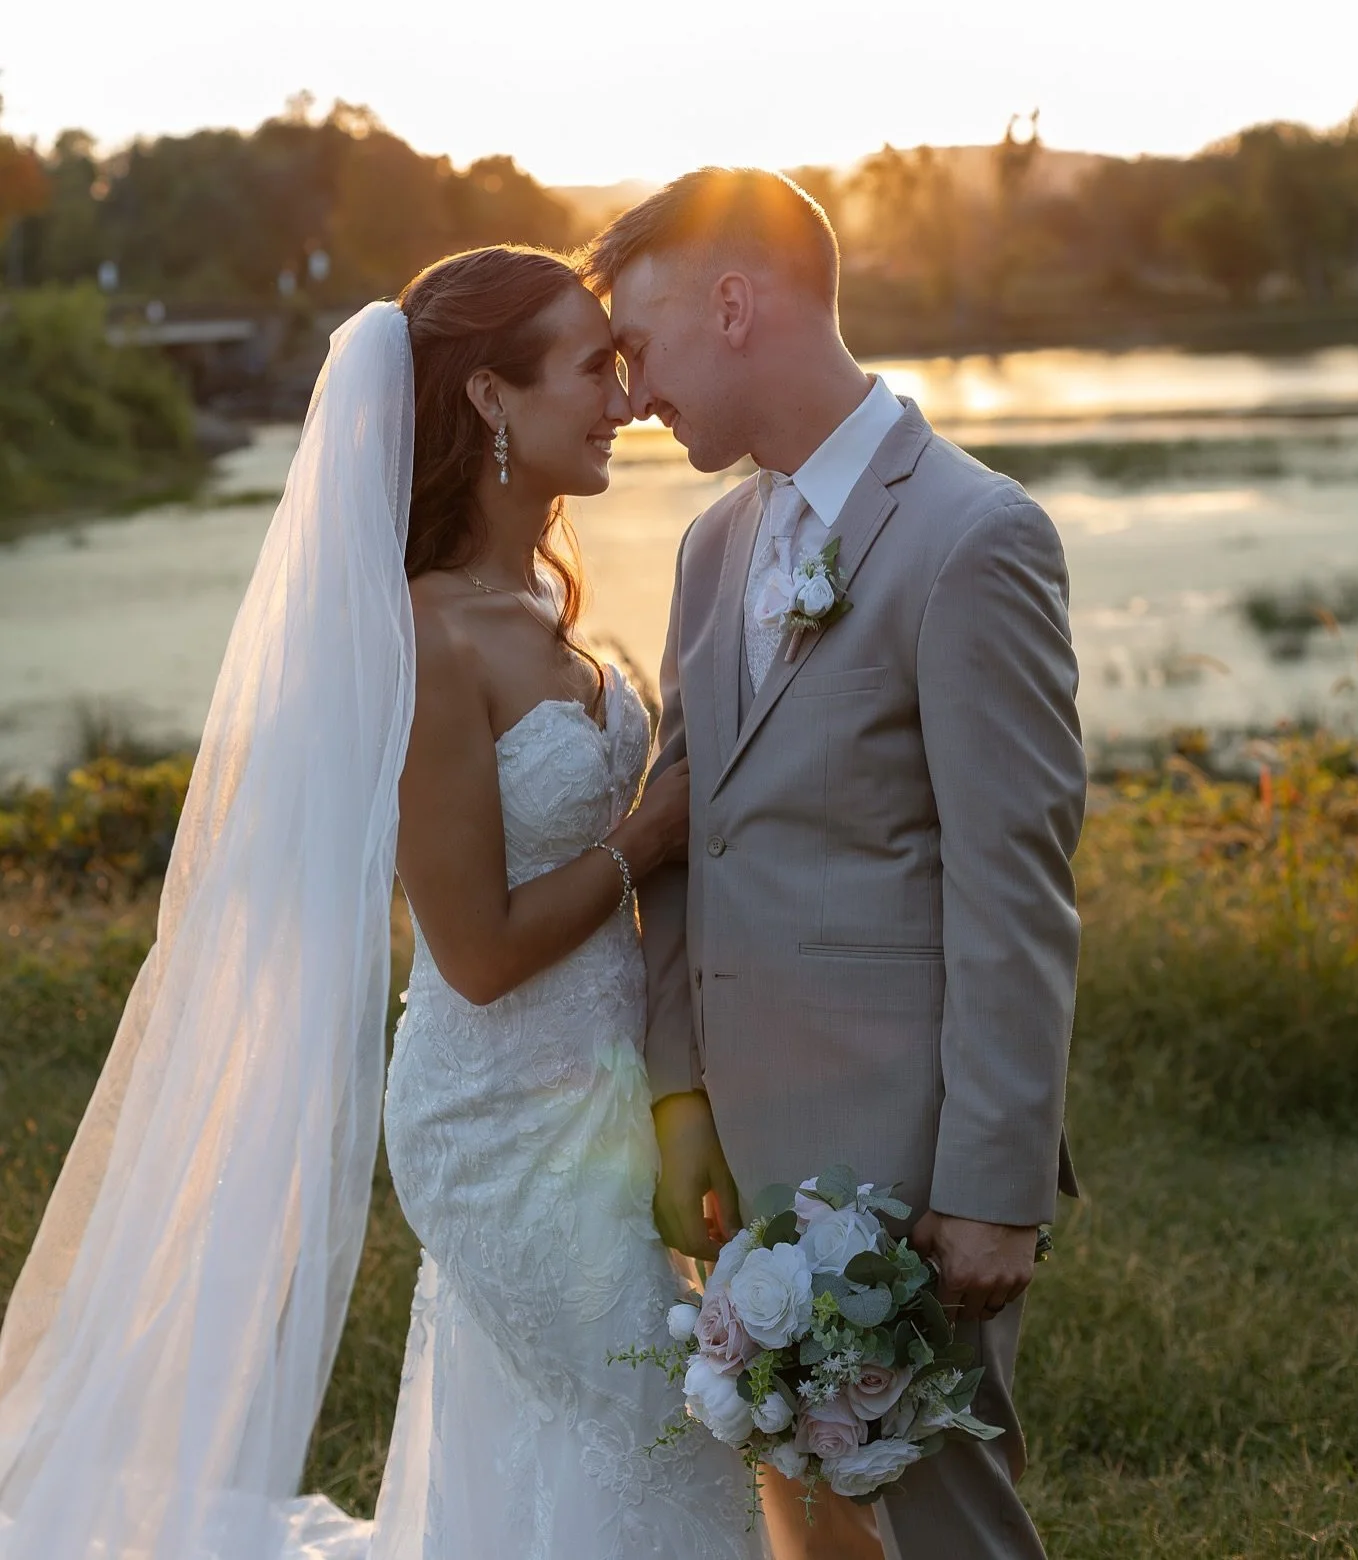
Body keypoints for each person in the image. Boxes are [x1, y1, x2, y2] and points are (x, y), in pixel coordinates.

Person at [0, 247, 760, 1560]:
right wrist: (655, 832)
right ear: (489, 400)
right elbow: (473, 951)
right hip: (496, 1124)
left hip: (601, 1100)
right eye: (594, 367)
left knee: (575, 1439)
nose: (625, 401)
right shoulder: (429, 634)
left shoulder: (549, 597)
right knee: (659, 1427)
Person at [583, 170, 1087, 1560]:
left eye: (640, 345)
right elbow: (693, 835)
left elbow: (1015, 887)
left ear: (735, 304)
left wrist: (993, 1186)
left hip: (906, 1159)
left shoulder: (974, 539)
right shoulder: (712, 545)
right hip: (741, 1155)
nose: (630, 395)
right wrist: (682, 1097)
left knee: (940, 1524)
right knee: (797, 1524)